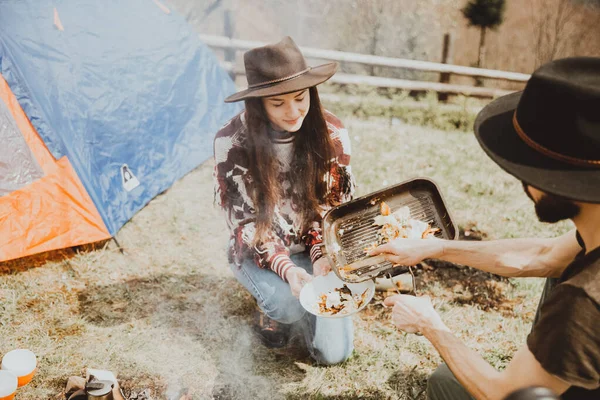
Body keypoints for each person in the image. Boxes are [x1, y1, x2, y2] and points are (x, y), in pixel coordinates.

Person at [370, 57, 600, 399]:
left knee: (445, 384)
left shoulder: (582, 302)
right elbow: (546, 255)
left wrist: (430, 326)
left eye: (527, 171)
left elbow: (502, 394)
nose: (523, 182)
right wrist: (437, 248)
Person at [213, 37, 355, 364]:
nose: (293, 112)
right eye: (277, 104)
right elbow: (247, 224)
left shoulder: (332, 133)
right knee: (287, 306)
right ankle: (275, 308)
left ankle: (309, 298)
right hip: (259, 248)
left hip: (314, 247)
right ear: (258, 104)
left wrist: (321, 256)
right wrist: (288, 270)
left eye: (300, 98)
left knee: (334, 355)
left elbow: (331, 210)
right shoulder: (231, 143)